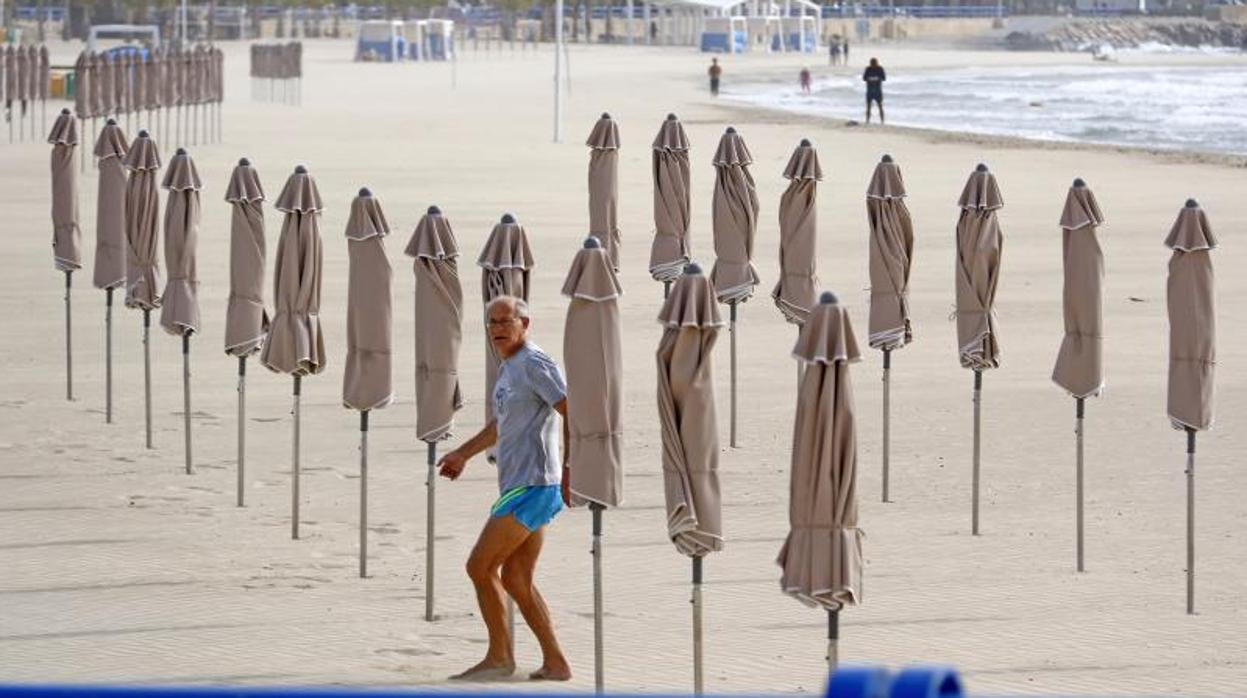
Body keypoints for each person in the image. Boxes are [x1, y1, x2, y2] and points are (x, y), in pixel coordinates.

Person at [437, 296, 573, 682]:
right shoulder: (510, 367)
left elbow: (571, 409)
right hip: (519, 484)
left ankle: (499, 657)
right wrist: (462, 454)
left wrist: (571, 466)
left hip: (534, 484)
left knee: (479, 566)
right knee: (516, 578)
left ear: (524, 323)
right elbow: (501, 425)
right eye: (491, 322)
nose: (497, 328)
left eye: (505, 321)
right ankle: (555, 663)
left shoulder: (534, 363)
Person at [863, 56, 885, 124]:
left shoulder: (880, 69)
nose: (873, 65)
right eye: (872, 64)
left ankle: (882, 121)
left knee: (880, 106)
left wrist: (877, 78)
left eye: (874, 63)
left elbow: (884, 78)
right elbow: (864, 78)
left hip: (877, 90)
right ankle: (867, 120)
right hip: (870, 90)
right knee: (869, 106)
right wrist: (870, 79)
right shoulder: (868, 69)